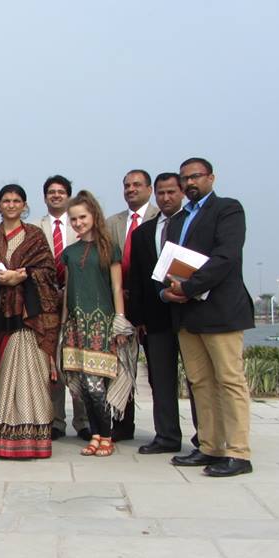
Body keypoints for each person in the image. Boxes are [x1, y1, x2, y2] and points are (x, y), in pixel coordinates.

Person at [164, 158, 254, 477]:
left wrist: (189, 287)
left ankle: (238, 452)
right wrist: (169, 291)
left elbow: (226, 258)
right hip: (188, 314)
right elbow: (170, 266)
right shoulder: (175, 221)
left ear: (211, 178)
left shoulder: (228, 210)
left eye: (196, 177)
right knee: (200, 383)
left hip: (221, 310)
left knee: (229, 380)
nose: (191, 183)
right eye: (185, 178)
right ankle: (210, 446)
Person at [0, 185, 60, 458]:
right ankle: (6, 437)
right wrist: (0, 278)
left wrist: (23, 276)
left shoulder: (34, 235)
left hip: (30, 316)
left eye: (16, 200)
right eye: (6, 201)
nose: (11, 205)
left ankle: (35, 439)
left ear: (24, 205)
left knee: (32, 375)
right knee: (4, 375)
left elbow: (48, 272)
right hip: (0, 314)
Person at [127, 173, 197, 454]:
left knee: (197, 379)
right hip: (155, 319)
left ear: (181, 193)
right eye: (161, 193)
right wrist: (138, 318)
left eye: (171, 192)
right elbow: (138, 280)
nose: (166, 198)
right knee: (161, 380)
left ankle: (205, 438)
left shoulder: (193, 227)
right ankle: (166, 435)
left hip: (191, 314)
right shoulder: (143, 232)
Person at [60, 190, 132, 458]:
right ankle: (95, 435)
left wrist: (120, 322)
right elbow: (68, 290)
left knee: (96, 386)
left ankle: (107, 436)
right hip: (76, 326)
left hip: (102, 325)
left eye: (82, 217)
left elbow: (116, 288)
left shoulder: (108, 247)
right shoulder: (69, 252)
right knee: (83, 388)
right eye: (74, 219)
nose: (78, 223)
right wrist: (64, 324)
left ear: (94, 216)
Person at [105, 170, 159, 441]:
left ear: (149, 189)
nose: (131, 189)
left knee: (158, 373)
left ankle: (166, 431)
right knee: (120, 367)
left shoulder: (161, 219)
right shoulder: (113, 222)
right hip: (120, 305)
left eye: (137, 185)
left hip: (154, 307)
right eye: (126, 185)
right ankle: (122, 425)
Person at [38, 175, 90, 441]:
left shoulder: (79, 225)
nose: (56, 195)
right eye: (51, 192)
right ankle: (56, 420)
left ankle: (83, 420)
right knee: (54, 363)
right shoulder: (36, 227)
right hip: (47, 304)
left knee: (78, 361)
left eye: (60, 192)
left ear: (68, 195)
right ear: (44, 197)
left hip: (78, 302)